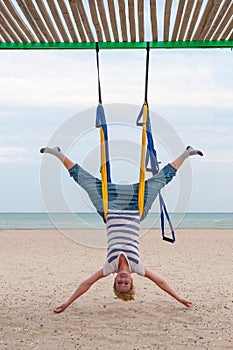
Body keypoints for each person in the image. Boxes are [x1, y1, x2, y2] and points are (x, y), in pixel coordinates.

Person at [40, 145, 203, 313]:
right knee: (160, 181)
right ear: (132, 281)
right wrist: (179, 298)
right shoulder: (137, 267)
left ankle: (59, 154)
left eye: (119, 283)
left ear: (115, 280)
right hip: (136, 207)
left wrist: (68, 303)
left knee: (85, 181)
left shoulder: (109, 267)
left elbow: (87, 283)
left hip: (109, 206)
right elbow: (160, 282)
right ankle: (186, 153)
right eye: (126, 283)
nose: (123, 281)